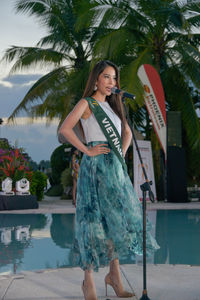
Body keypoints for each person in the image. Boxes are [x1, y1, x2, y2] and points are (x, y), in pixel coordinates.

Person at [59, 60, 159, 300]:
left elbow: (126, 133)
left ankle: (114, 276)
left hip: (114, 168)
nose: (111, 82)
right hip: (94, 169)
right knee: (91, 222)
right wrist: (86, 149)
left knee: (114, 220)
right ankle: (88, 281)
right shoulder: (87, 104)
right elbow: (65, 129)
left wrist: (121, 153)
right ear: (96, 79)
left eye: (114, 78)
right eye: (106, 77)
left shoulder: (115, 107)